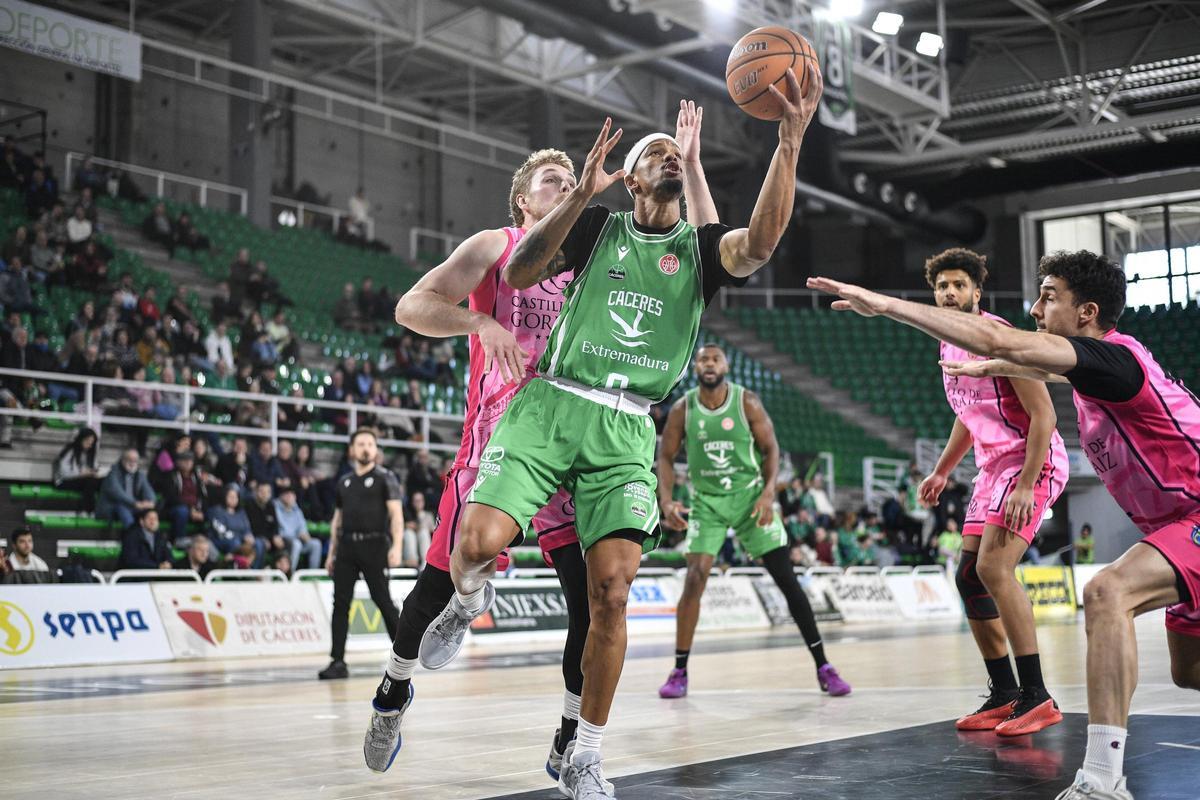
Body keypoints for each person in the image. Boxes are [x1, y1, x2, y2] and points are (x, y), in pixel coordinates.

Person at [419, 70, 822, 798]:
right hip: (550, 404)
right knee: (474, 545)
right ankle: (469, 598)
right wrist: (580, 193)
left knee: (610, 594)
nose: (670, 155)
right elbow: (520, 266)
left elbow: (759, 242)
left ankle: (586, 753)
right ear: (632, 180)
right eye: (657, 153)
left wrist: (788, 141)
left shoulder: (700, 255)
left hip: (626, 427)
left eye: (677, 153)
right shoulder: (599, 228)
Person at [365, 104, 721, 780]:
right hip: (505, 435)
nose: (565, 184)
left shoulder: (598, 246)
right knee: (438, 583)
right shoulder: (498, 247)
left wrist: (684, 171)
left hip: (579, 438)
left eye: (570, 177)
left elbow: (699, 247)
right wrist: (477, 322)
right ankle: (393, 688)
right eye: (550, 179)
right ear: (522, 198)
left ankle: (568, 738)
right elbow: (411, 306)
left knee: (591, 605)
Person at [809, 249, 1200, 800]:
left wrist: (886, 305)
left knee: (1107, 592)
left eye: (1048, 297)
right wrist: (989, 372)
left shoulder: (1117, 362)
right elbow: (1025, 364)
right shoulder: (1096, 372)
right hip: (1171, 526)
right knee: (1188, 672)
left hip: (1193, 516)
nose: (1036, 308)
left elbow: (1005, 345)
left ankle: (1101, 780)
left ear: (1086, 313)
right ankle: (1011, 693)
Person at [916, 248, 1070, 736]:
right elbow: (968, 414)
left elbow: (1044, 416)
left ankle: (1037, 696)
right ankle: (1004, 694)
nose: (949, 293)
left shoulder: (1000, 338)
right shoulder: (947, 346)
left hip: (1032, 459)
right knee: (968, 576)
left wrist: (1027, 483)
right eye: (942, 286)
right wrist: (942, 471)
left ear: (977, 293)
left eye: (959, 285)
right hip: (992, 467)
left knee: (993, 567)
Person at [657, 345, 850, 699]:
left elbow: (772, 449)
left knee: (786, 579)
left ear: (726, 365)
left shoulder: (747, 402)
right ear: (695, 366)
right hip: (707, 502)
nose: (709, 364)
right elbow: (666, 457)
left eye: (715, 359)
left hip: (750, 498)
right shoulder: (683, 409)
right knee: (695, 578)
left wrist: (767, 495)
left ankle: (824, 665)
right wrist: (666, 500)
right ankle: (679, 670)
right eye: (703, 359)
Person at [319, 428, 405, 680]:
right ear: (352, 450)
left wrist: (397, 546)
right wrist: (331, 553)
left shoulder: (385, 478)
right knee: (340, 604)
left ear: (376, 450)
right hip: (346, 547)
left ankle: (404, 655)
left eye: (370, 444)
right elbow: (337, 519)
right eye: (361, 444)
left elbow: (396, 515)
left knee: (383, 601)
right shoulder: (344, 482)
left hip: (375, 546)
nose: (366, 448)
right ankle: (337, 661)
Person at [96, 449, 157, 528]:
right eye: (129, 459)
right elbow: (117, 493)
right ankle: (131, 535)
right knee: (123, 508)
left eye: (135, 460)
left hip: (133, 507)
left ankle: (150, 538)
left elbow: (149, 490)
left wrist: (150, 501)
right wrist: (135, 503)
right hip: (112, 508)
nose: (132, 462)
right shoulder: (113, 473)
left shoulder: (140, 475)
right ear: (122, 460)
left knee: (150, 513)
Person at [163, 451, 212, 543]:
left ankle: (207, 539)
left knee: (212, 512)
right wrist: (190, 509)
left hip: (195, 509)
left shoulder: (196, 477)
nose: (188, 463)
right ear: (178, 462)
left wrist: (201, 510)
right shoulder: (171, 475)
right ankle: (179, 539)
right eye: (185, 461)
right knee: (182, 511)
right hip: (175, 508)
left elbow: (203, 496)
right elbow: (172, 498)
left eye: (190, 461)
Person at [52, 427, 101, 512]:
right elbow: (64, 473)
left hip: (83, 480)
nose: (89, 444)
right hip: (64, 481)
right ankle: (90, 510)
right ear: (81, 439)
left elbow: (95, 468)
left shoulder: (90, 454)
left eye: (91, 443)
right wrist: (81, 473)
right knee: (89, 482)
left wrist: (92, 472)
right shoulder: (70, 451)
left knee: (103, 482)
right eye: (87, 441)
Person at [207, 485, 257, 566]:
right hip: (219, 540)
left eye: (235, 497)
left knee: (258, 543)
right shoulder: (217, 511)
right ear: (224, 496)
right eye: (230, 496)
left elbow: (247, 528)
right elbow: (221, 532)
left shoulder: (241, 513)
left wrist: (249, 536)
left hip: (239, 541)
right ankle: (236, 571)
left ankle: (253, 571)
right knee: (235, 542)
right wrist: (242, 537)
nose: (233, 499)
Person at [275, 487, 321, 571]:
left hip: (298, 539)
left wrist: (304, 534)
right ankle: (290, 573)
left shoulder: (297, 510)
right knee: (297, 544)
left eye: (292, 494)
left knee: (316, 544)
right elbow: (277, 528)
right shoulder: (275, 507)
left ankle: (313, 574)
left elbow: (302, 527)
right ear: (281, 496)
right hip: (283, 540)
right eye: (287, 494)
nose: (290, 497)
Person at [402, 491, 434, 568]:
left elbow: (433, 530)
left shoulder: (428, 515)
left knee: (423, 533)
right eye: (416, 501)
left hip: (425, 543)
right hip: (411, 544)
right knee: (408, 533)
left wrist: (419, 527)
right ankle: (412, 561)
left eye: (420, 500)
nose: (418, 503)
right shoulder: (407, 515)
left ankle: (425, 562)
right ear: (412, 502)